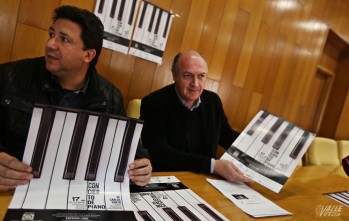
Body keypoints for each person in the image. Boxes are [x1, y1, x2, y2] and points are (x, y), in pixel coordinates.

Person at [0, 5, 152, 191]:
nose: (50, 44)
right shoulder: (8, 77)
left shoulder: (110, 97)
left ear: (88, 55)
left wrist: (141, 163)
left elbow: (128, 148)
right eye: (51, 34)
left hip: (75, 194)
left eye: (63, 39)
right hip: (13, 190)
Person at [140, 50, 252, 183]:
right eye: (188, 75)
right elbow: (158, 152)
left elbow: (226, 135)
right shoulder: (154, 103)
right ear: (174, 75)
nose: (195, 83)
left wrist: (254, 145)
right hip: (170, 180)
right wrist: (212, 165)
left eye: (201, 76)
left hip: (205, 180)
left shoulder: (213, 101)